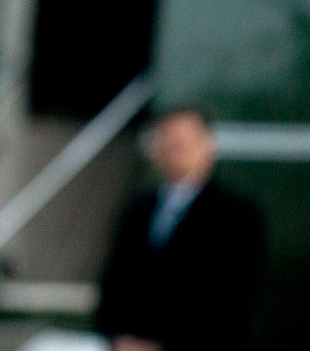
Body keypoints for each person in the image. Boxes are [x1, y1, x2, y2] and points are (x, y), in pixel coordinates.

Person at [93, 105, 265, 351]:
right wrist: (118, 338)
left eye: (184, 142)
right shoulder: (137, 210)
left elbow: (234, 297)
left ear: (207, 145)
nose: (175, 150)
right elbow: (115, 283)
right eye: (167, 141)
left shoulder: (237, 214)